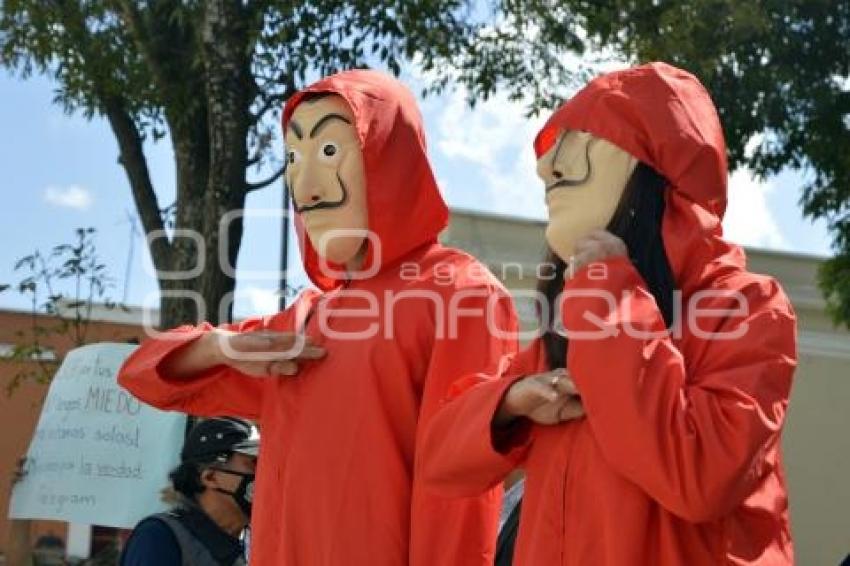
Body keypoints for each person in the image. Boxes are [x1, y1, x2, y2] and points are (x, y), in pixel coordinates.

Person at [118, 69, 518, 565]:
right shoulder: (306, 319)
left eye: (329, 150)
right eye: (292, 156)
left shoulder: (460, 293)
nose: (304, 185)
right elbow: (145, 375)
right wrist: (218, 347)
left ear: (390, 156)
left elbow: (459, 495)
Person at [422, 62, 797, 565]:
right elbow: (440, 461)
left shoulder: (746, 307)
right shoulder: (565, 331)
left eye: (582, 141)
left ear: (655, 169)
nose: (546, 167)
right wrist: (510, 403)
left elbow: (699, 477)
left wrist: (610, 290)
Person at [120, 417, 258, 566]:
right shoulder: (159, 537)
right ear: (210, 477)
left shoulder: (254, 545)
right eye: (254, 462)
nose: (265, 474)